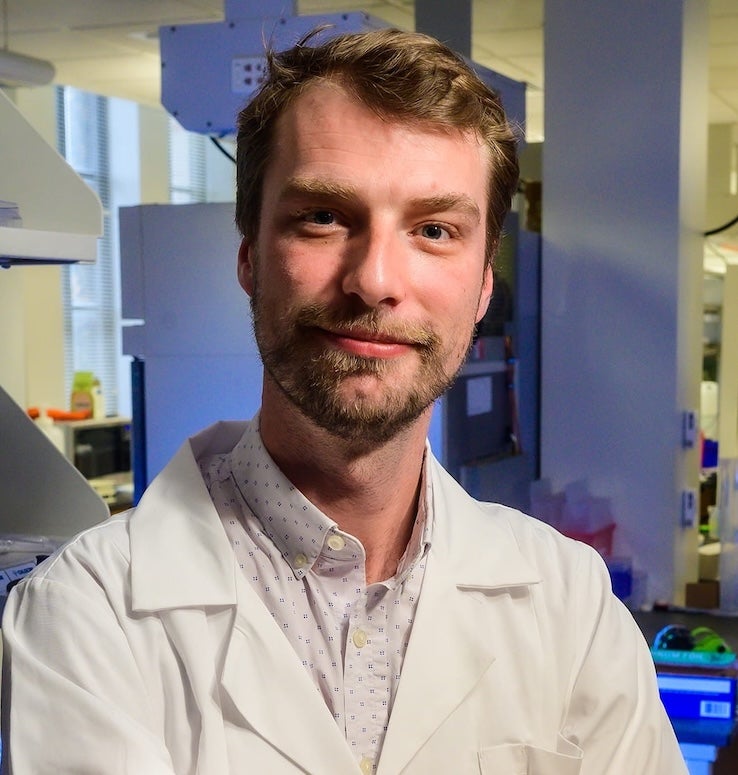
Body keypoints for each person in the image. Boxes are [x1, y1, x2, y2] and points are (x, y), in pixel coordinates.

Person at [1, 27, 686, 775]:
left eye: (433, 229)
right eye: (324, 216)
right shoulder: (85, 615)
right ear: (248, 255)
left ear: (484, 284)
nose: (375, 279)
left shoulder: (569, 605)